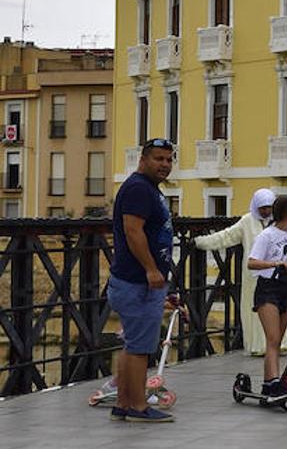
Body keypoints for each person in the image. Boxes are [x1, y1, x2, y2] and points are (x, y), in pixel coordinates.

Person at [106, 138, 178, 423]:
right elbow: (133, 231)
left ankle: (123, 404)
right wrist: (151, 269)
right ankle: (137, 406)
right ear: (143, 159)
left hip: (133, 280)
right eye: (159, 159)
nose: (165, 165)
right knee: (140, 347)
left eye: (169, 159)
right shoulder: (138, 189)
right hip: (138, 281)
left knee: (132, 344)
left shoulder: (146, 189)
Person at [192, 187, 278, 356]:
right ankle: (258, 346)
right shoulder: (247, 222)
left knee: (276, 308)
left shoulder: (278, 222)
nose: (266, 211)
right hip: (254, 276)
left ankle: (278, 344)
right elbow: (226, 237)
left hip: (275, 275)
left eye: (269, 207)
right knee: (254, 310)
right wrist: (200, 242)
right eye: (263, 208)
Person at [245, 197, 287, 394]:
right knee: (272, 338)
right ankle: (272, 381)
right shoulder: (267, 235)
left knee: (278, 339)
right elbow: (252, 262)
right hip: (269, 288)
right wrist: (276, 264)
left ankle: (270, 381)